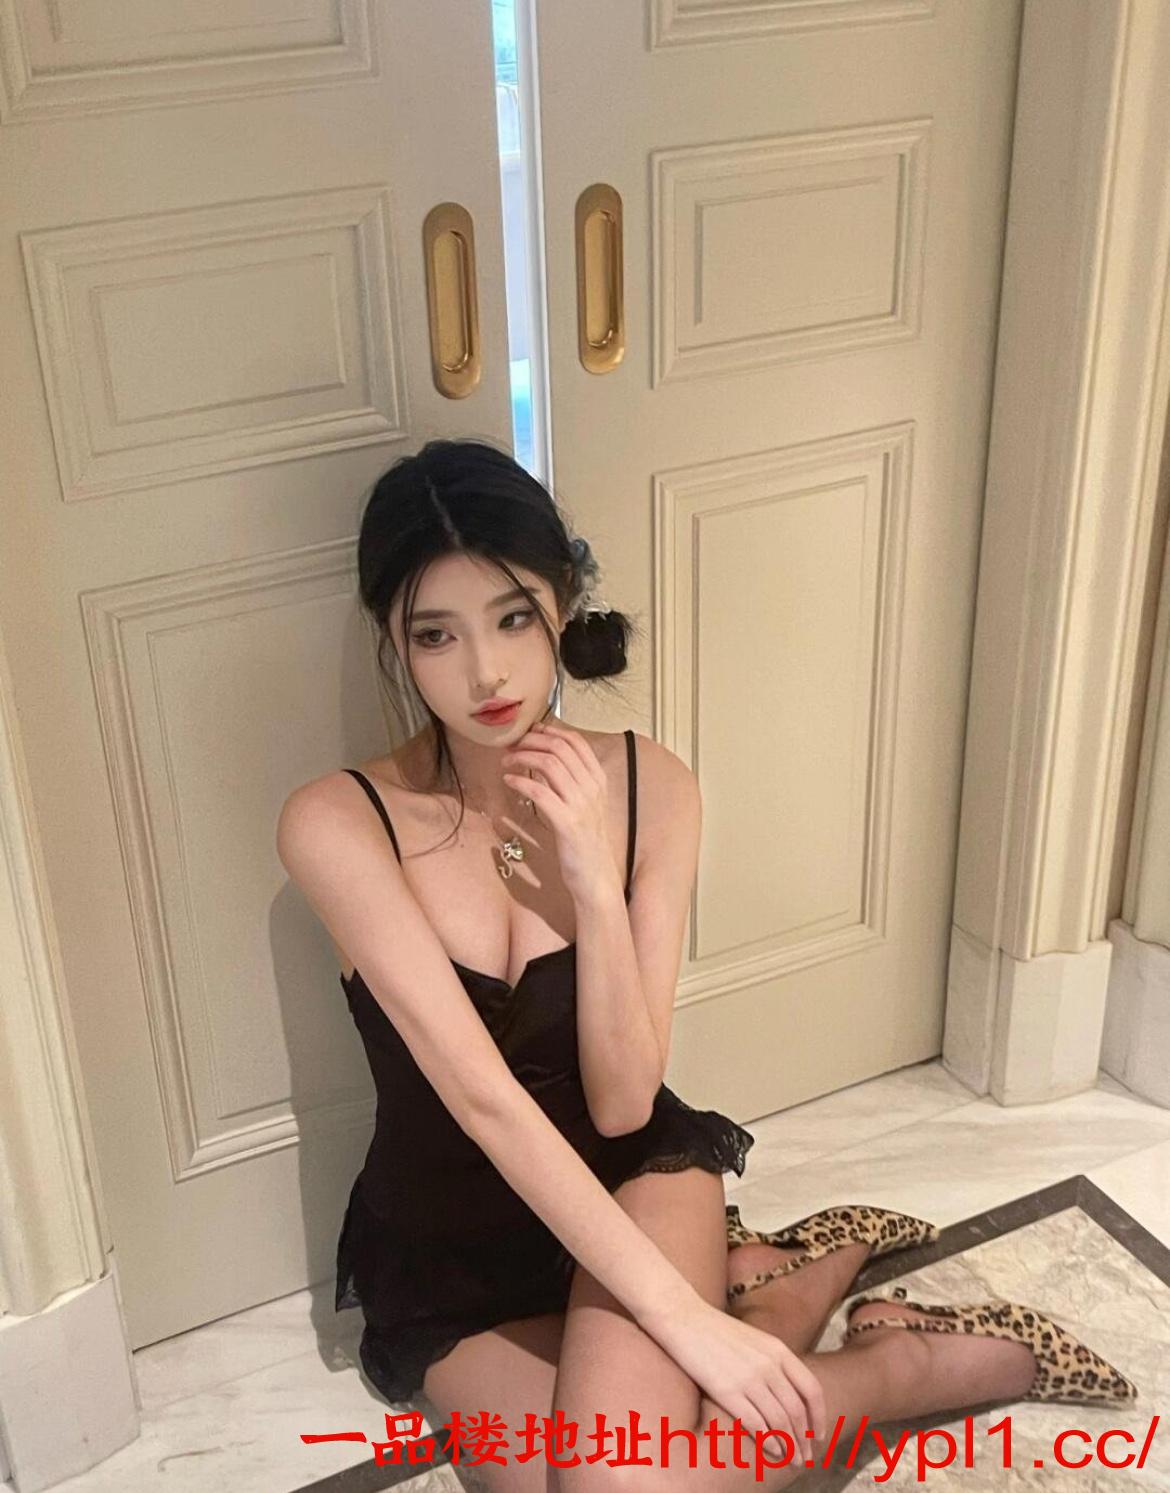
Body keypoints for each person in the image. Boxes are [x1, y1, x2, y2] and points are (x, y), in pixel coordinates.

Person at [278, 438, 1137, 1491]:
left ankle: (898, 1364)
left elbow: (624, 1101)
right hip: (456, 1245)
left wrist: (593, 878)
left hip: (633, 1180)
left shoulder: (653, 785)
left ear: (562, 605)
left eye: (513, 617)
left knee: (623, 1480)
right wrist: (688, 1322)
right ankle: (797, 1305)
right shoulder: (338, 824)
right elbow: (484, 1101)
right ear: (394, 642)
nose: (486, 672)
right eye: (435, 634)